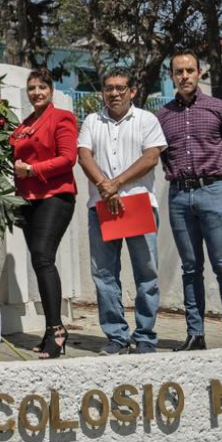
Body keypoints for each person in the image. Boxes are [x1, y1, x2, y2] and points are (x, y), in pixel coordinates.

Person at [155, 51, 222, 350]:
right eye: (178, 71)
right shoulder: (162, 116)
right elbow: (162, 156)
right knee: (191, 267)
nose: (184, 76)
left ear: (199, 73)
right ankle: (195, 335)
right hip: (179, 195)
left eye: (189, 70)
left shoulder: (220, 109)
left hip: (214, 192)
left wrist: (221, 187)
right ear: (171, 76)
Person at [77, 68, 168, 355]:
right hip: (102, 206)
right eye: (108, 88)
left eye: (120, 88)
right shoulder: (92, 121)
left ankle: (144, 337)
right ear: (103, 92)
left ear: (132, 91)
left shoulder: (147, 120)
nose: (114, 93)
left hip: (137, 204)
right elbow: (84, 156)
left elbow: (151, 157)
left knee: (147, 275)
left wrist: (115, 183)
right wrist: (106, 187)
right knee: (104, 274)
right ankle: (116, 336)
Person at [9, 68, 79, 358]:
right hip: (28, 199)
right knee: (39, 262)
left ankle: (56, 330)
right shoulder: (24, 124)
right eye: (32, 88)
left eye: (42, 87)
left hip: (55, 196)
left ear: (51, 90)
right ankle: (52, 330)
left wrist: (33, 170)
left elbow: (68, 158)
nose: (37, 92)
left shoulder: (62, 118)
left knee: (43, 257)